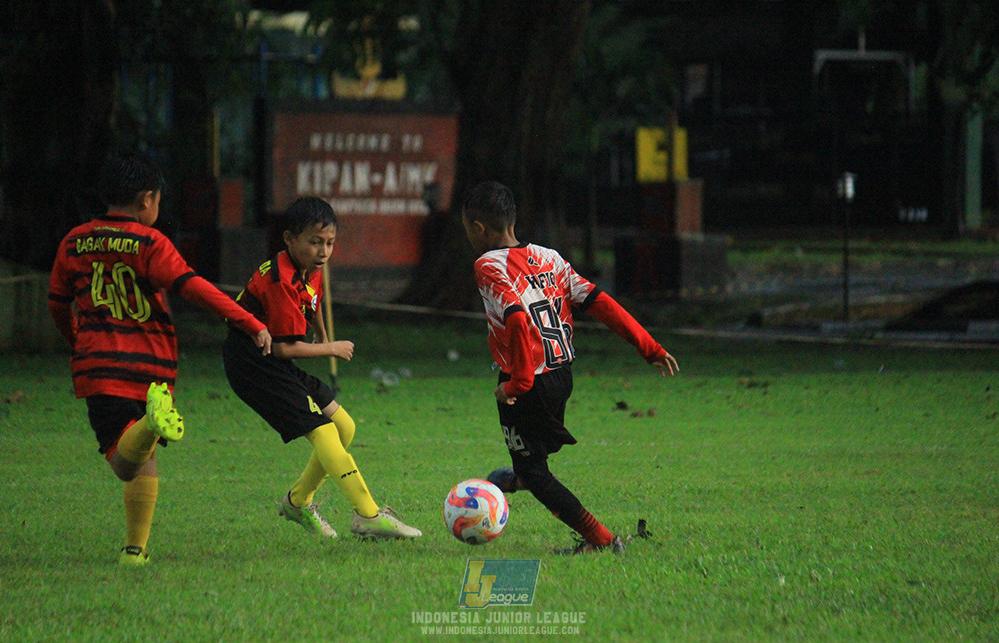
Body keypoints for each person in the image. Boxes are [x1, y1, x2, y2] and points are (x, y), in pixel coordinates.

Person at [48, 150, 272, 566]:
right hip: (153, 367)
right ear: (148, 199)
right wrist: (249, 321)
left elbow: (58, 303)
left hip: (102, 367)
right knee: (142, 454)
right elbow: (194, 287)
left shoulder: (74, 241)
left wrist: (75, 339)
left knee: (123, 463)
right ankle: (135, 550)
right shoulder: (150, 243)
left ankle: (151, 425)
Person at [461, 181, 678, 554]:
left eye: (467, 229)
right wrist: (649, 346)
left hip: (528, 378)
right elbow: (600, 301)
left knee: (535, 472)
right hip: (561, 375)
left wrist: (516, 383)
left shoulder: (488, 265)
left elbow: (517, 319)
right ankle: (519, 478)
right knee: (532, 456)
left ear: (479, 228)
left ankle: (601, 540)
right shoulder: (549, 257)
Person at [222, 196, 421, 540]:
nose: (324, 251)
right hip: (252, 364)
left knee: (344, 426)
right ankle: (368, 515)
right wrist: (331, 347)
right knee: (325, 431)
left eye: (330, 243)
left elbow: (311, 304)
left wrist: (322, 333)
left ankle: (297, 502)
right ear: (289, 239)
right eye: (315, 242)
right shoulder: (281, 280)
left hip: (273, 360)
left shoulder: (310, 268)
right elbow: (283, 347)